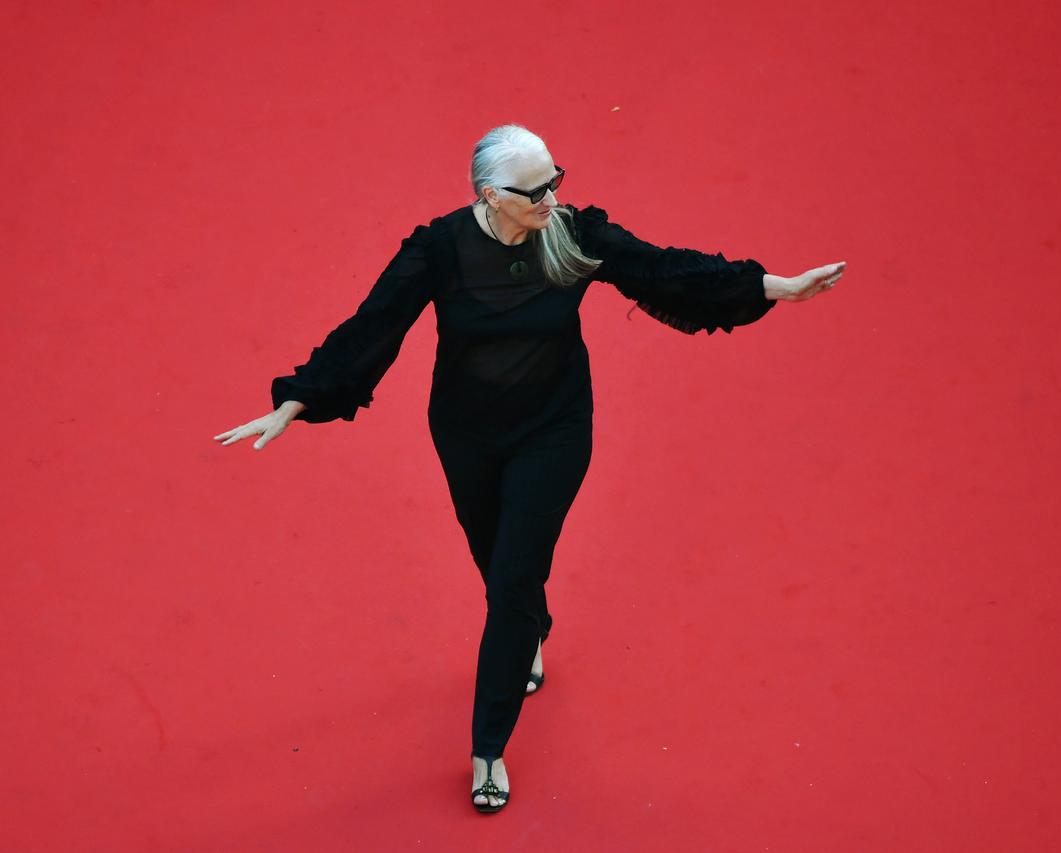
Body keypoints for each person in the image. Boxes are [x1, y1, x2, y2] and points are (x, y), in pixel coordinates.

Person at [213, 124, 843, 813]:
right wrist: (300, 398)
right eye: (535, 188)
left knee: (512, 578)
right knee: (497, 561)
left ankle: (488, 747)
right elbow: (373, 324)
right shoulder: (440, 250)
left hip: (555, 429)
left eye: (556, 179)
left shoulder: (571, 234)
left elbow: (666, 269)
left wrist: (773, 286)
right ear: (491, 195)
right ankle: (531, 628)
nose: (552, 196)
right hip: (466, 433)